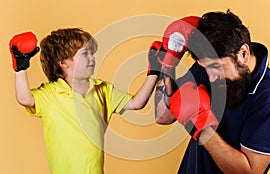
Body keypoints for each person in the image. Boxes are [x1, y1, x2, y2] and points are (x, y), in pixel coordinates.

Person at [156, 10, 270, 173]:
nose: (211, 78)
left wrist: (202, 127)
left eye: (217, 68)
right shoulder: (209, 67)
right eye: (205, 68)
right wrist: (167, 64)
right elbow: (163, 116)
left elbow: (249, 171)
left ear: (243, 54)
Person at [9, 28, 160, 174]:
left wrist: (154, 72)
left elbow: (137, 103)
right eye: (85, 54)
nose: (92, 58)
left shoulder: (102, 89)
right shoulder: (52, 93)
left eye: (92, 53)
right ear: (63, 63)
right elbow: (24, 98)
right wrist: (21, 68)